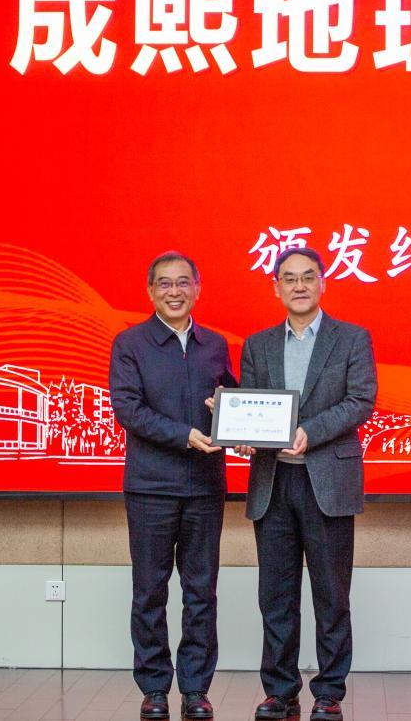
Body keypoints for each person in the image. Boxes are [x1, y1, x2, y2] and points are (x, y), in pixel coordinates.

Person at [235, 247, 377, 721]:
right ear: (276, 287)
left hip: (327, 482)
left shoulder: (352, 338)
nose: (299, 285)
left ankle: (329, 692)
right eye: (289, 278)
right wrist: (242, 432)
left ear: (322, 283)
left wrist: (310, 432)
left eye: (308, 277)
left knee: (331, 595)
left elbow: (360, 400)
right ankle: (280, 691)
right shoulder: (257, 345)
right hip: (272, 483)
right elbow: (250, 405)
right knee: (275, 596)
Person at [110, 251, 235, 721]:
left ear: (197, 288)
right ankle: (155, 688)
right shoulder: (130, 344)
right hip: (150, 488)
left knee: (202, 592)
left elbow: (232, 401)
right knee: (150, 591)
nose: (174, 291)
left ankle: (196, 689)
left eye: (183, 282)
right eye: (164, 283)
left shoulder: (214, 344)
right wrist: (184, 435)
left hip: (205, 488)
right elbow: (129, 409)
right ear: (150, 291)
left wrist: (235, 417)